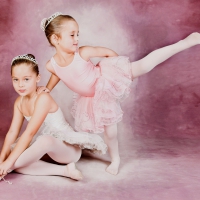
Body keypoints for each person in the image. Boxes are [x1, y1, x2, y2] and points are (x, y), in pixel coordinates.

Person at [39, 12, 200, 175]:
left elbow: (106, 52)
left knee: (143, 66)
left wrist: (116, 67)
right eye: (72, 35)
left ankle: (184, 43)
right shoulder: (51, 65)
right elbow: (57, 74)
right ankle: (103, 155)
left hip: (104, 82)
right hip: (92, 98)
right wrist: (48, 88)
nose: (77, 39)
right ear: (55, 39)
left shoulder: (83, 52)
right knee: (107, 131)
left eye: (77, 34)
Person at [0, 54, 107, 183]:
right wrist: (2, 159)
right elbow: (12, 132)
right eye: (15, 79)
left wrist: (7, 163)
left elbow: (30, 133)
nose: (20, 84)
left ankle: (8, 167)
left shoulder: (43, 98)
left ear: (37, 78)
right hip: (48, 153)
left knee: (40, 143)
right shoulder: (19, 102)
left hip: (68, 150)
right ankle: (64, 171)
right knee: (16, 158)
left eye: (26, 79)